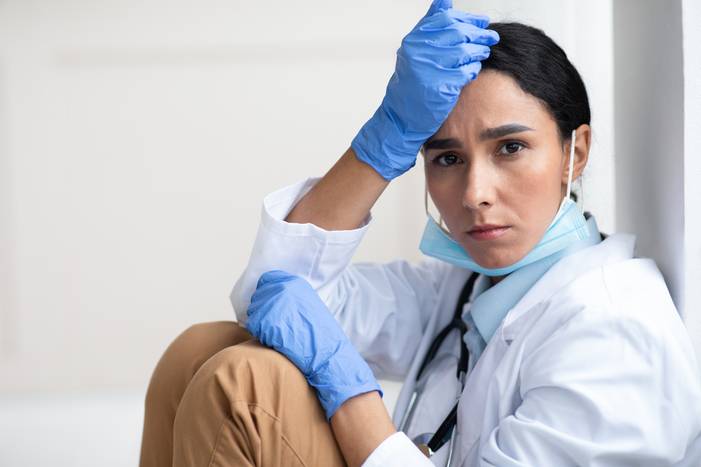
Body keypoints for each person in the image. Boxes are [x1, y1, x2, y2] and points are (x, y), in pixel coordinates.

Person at [139, 1, 701, 466]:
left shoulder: (614, 332)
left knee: (245, 384)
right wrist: (384, 140)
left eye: (510, 147)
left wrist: (353, 397)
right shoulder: (468, 291)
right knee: (201, 349)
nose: (475, 193)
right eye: (447, 158)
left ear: (575, 153)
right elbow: (274, 294)